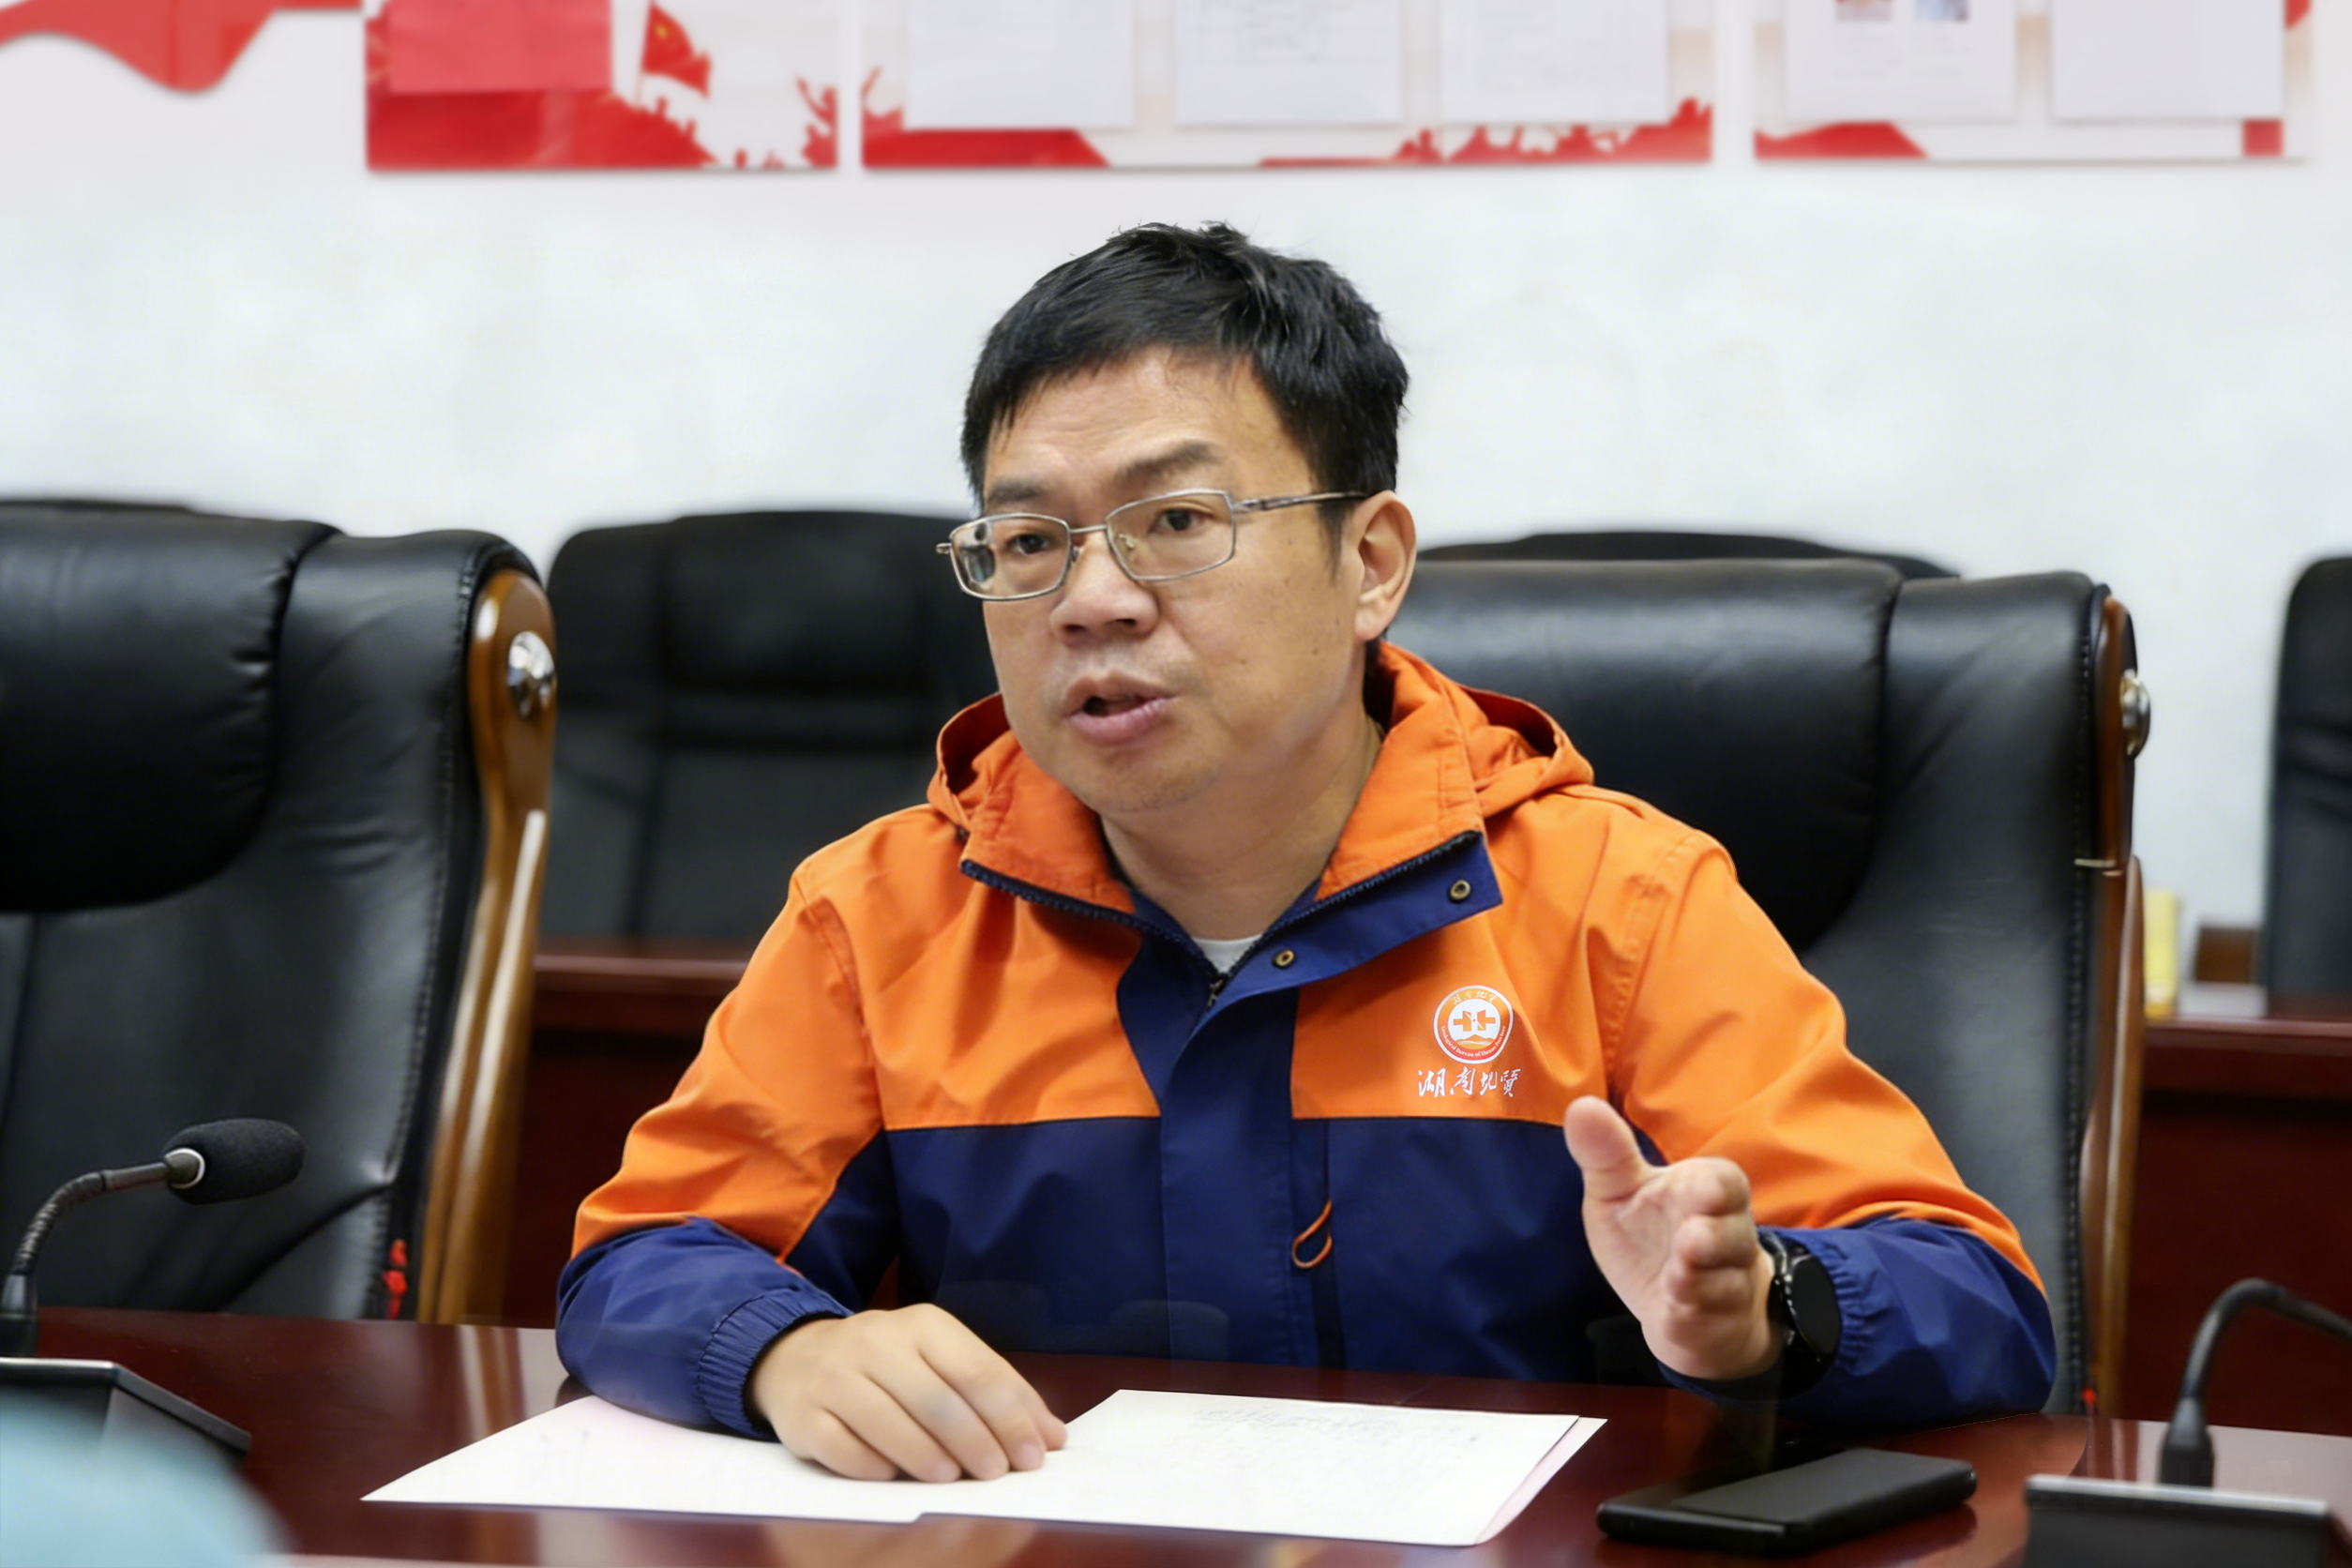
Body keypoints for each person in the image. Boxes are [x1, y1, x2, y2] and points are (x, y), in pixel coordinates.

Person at [556, 222, 2056, 1485]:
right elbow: (644, 1256)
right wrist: (784, 1349)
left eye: (1176, 520)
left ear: (1371, 564)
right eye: (1027, 542)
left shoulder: (1616, 900)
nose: (1090, 600)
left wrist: (1764, 1304)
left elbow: (1979, 1303)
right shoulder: (885, 912)